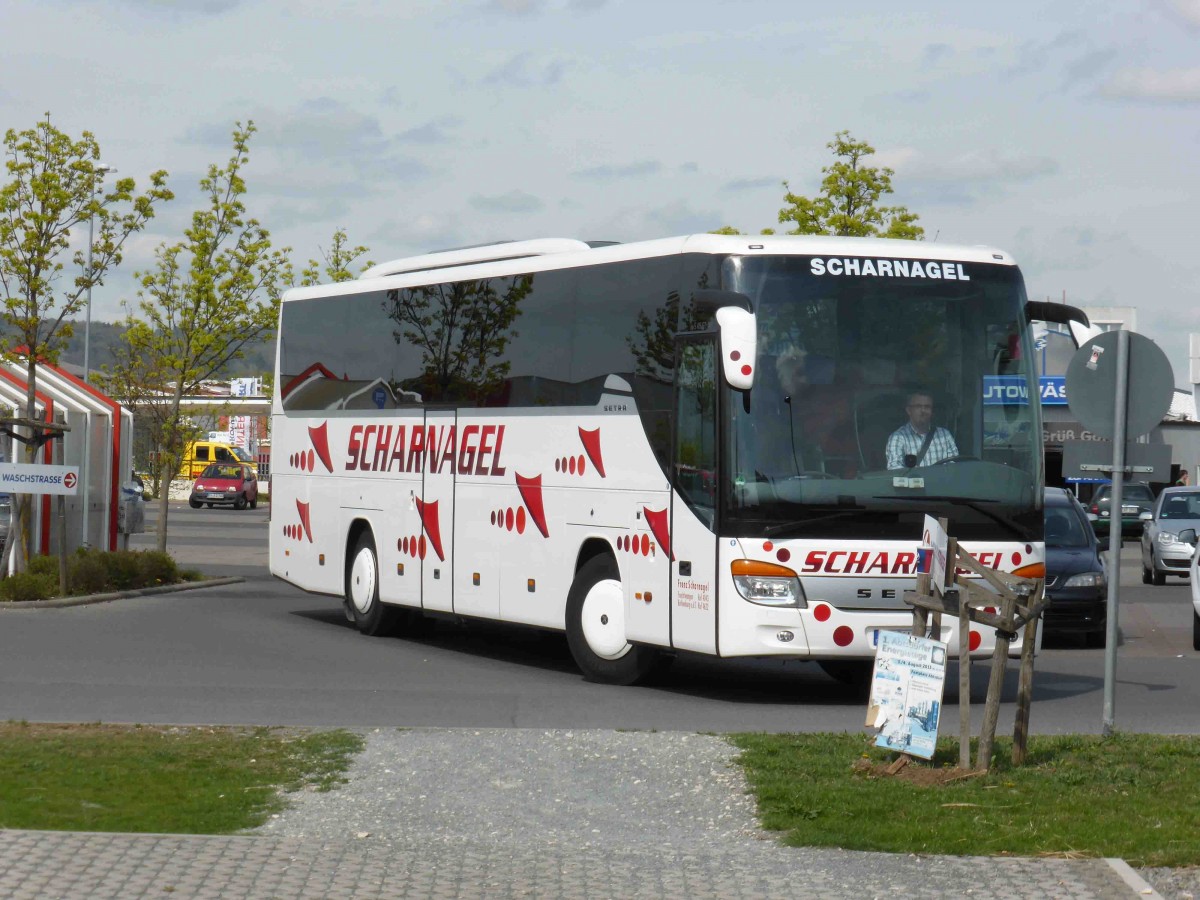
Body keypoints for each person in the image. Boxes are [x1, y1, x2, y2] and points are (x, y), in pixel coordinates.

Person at [885, 390, 959, 469]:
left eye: (927, 407)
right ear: (909, 410)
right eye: (918, 406)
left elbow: (954, 468)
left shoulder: (945, 435)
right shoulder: (898, 438)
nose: (923, 411)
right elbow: (895, 470)